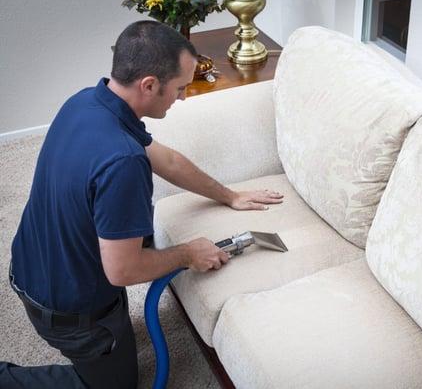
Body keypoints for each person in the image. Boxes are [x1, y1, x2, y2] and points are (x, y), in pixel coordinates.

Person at [0, 20, 283, 389]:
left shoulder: (86, 101)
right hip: (67, 310)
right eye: (179, 88)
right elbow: (122, 271)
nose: (181, 97)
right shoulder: (123, 162)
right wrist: (188, 253)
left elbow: (167, 160)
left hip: (30, 266)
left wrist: (230, 195)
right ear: (149, 84)